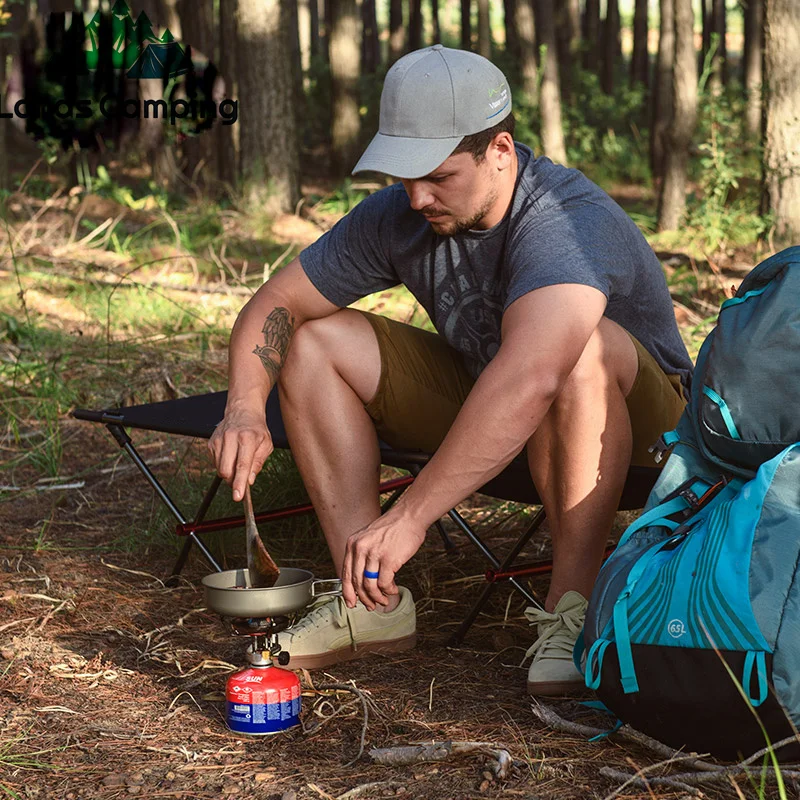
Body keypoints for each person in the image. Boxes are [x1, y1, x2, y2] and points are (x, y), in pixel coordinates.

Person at [209, 45, 693, 696]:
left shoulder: (565, 223)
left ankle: (573, 610)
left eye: (437, 175)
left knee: (578, 349)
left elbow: (532, 377)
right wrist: (243, 406)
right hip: (504, 405)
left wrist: (409, 517)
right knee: (310, 340)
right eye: (405, 175)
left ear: (500, 150)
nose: (417, 196)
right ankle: (368, 602)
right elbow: (275, 303)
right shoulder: (403, 212)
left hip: (643, 435)